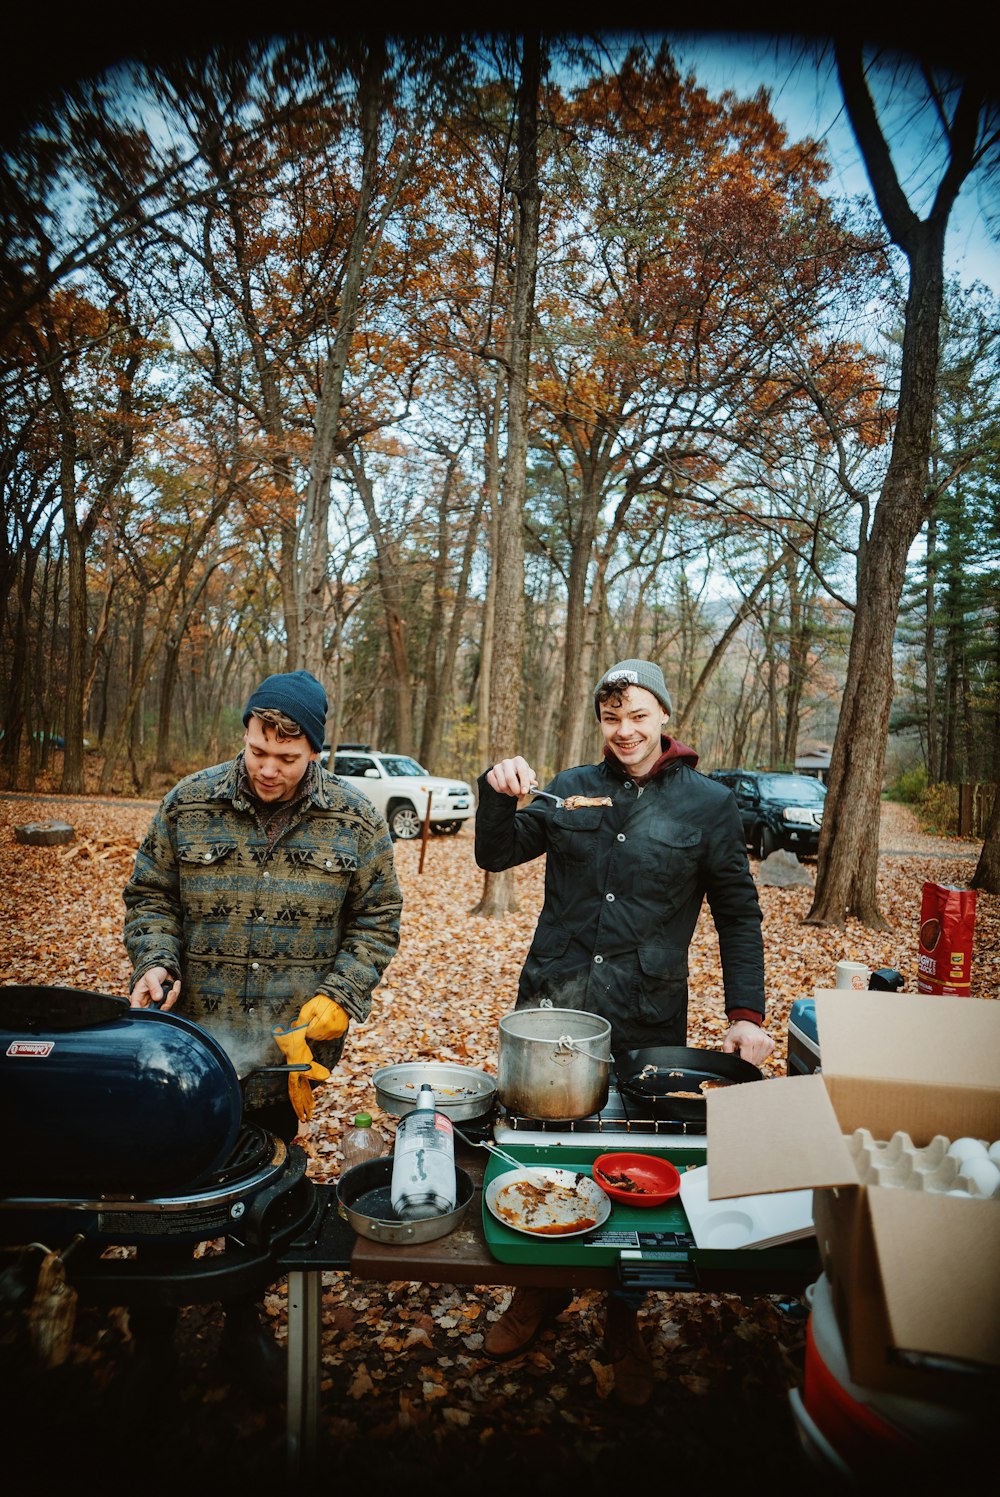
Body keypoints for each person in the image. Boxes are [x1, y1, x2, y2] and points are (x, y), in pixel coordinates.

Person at [474, 658, 773, 1405]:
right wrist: (493, 789)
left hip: (645, 1020)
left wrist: (747, 1016)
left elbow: (738, 914)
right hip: (551, 1010)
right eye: (612, 717)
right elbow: (495, 852)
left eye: (638, 714)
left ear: (663, 715)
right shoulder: (572, 785)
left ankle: (620, 1315)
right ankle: (539, 1292)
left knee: (629, 1169)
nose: (626, 730)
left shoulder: (707, 805)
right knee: (543, 1152)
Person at [123, 669, 402, 1396]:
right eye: (256, 751)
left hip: (287, 1055)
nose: (268, 768)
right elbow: (150, 891)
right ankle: (152, 1340)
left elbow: (377, 920)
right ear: (244, 734)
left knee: (262, 1195)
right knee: (163, 1197)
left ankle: (243, 1330)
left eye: (286, 756)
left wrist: (341, 994)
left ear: (315, 748)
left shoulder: (357, 820)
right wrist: (156, 960)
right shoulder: (189, 802)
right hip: (184, 1052)